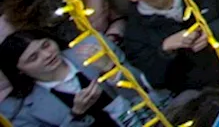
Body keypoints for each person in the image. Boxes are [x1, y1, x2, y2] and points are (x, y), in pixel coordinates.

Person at [0, 29, 161, 127]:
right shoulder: (17, 109)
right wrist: (76, 115)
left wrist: (113, 71)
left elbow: (147, 87)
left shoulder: (92, 47)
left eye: (46, 45)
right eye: (33, 57)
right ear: (19, 71)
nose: (47, 55)